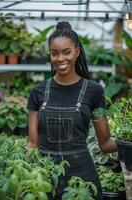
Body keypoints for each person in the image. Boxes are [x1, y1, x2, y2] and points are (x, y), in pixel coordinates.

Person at [27, 21, 118, 200]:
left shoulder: (94, 91)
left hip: (82, 179)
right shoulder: (37, 92)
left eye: (66, 52)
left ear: (77, 51)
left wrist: (125, 143)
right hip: (46, 178)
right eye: (54, 53)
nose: (60, 59)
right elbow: (33, 144)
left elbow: (105, 143)